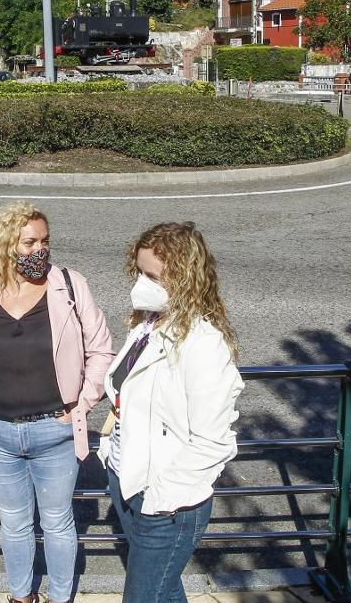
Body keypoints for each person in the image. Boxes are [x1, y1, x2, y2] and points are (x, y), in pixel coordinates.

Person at [0, 202, 114, 603]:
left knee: (57, 522)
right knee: (13, 523)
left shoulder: (69, 284)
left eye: (45, 241)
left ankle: (61, 596)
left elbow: (101, 349)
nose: (39, 251)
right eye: (29, 242)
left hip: (57, 429)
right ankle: (20, 596)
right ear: (4, 244)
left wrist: (83, 403)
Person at [100, 222, 244, 603]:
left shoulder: (203, 344)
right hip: (128, 482)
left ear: (184, 278)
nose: (140, 286)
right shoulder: (148, 324)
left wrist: (160, 498)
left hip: (167, 505)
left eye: (152, 277)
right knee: (164, 591)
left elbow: (213, 441)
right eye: (139, 273)